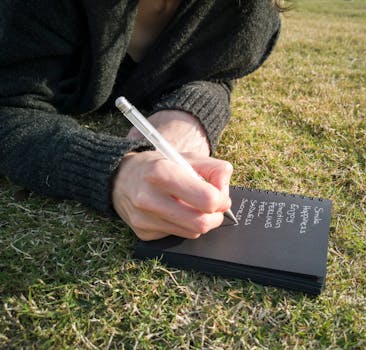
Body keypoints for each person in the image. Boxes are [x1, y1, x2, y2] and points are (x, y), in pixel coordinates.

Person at [0, 0, 282, 241]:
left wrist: (191, 112)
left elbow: (218, 70)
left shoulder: (248, 11)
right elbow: (10, 102)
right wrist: (113, 171)